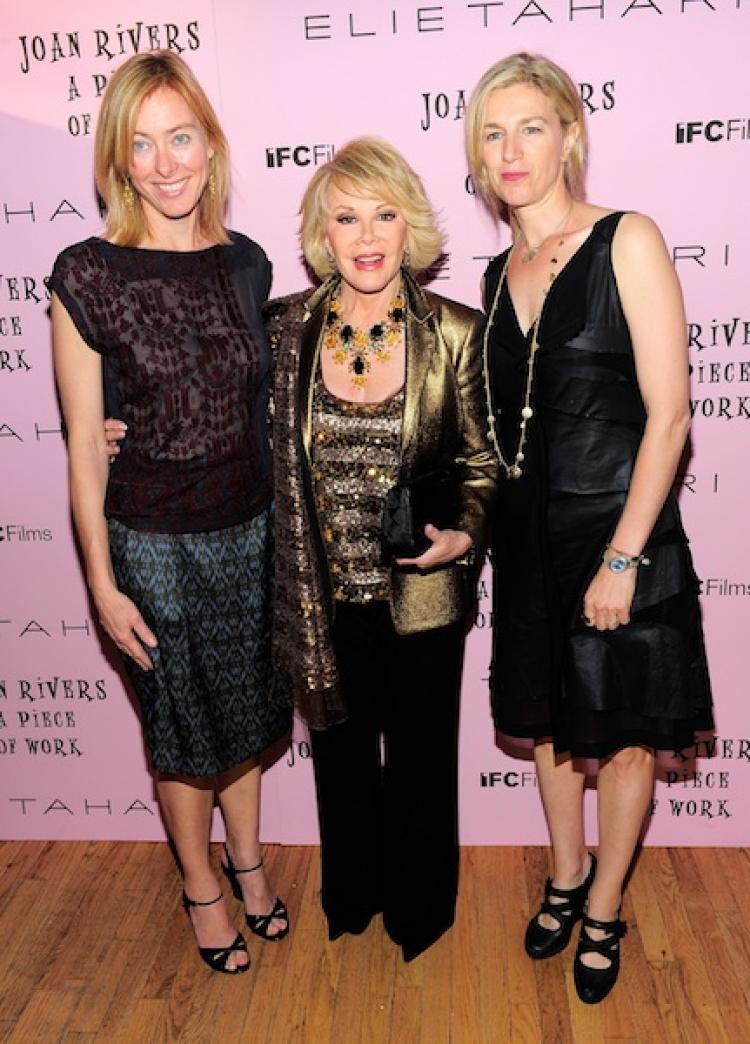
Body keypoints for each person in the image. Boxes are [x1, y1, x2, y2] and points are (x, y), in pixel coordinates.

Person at [465, 53, 712, 1003]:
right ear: (477, 157)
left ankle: (605, 903)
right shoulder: (496, 273)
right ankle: (565, 874)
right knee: (552, 730)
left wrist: (623, 557)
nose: (513, 150)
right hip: (528, 545)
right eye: (493, 133)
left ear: (570, 132)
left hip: (621, 533)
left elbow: (671, 416)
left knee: (625, 735)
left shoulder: (627, 239)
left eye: (531, 126)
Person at [50, 51, 291, 975]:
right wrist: (101, 584)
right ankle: (201, 886)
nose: (165, 163)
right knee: (185, 729)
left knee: (244, 718)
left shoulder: (249, 264)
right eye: (141, 144)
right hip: (148, 541)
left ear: (210, 145)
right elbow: (82, 440)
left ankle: (251, 864)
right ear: (117, 160)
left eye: (180, 136)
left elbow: (254, 404)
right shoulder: (88, 273)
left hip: (251, 531)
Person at [265, 137, 497, 962]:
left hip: (422, 591)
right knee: (339, 756)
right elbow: (217, 418)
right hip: (320, 595)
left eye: (385, 215)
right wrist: (118, 428)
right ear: (322, 234)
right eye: (347, 217)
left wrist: (465, 530)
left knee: (424, 759)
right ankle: (352, 897)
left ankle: (419, 911)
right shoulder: (284, 331)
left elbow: (480, 458)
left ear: (411, 227)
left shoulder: (456, 333)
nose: (367, 236)